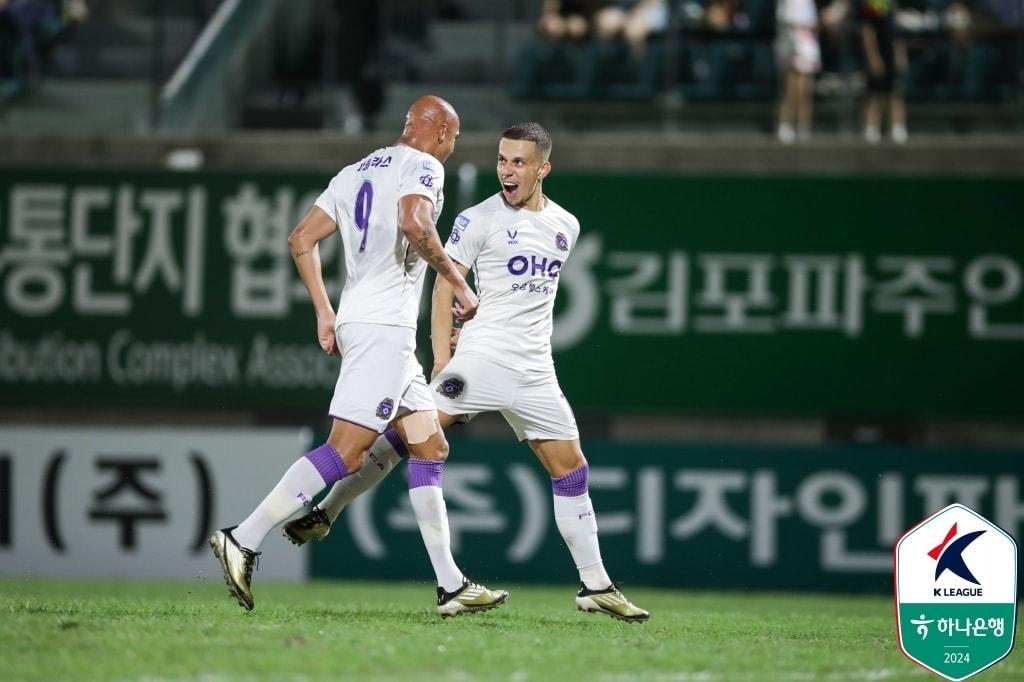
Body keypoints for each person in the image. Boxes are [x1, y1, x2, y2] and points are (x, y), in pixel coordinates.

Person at [282, 122, 650, 624]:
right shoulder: (476, 220)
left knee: (571, 469)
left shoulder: (567, 226)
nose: (507, 171)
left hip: (536, 371)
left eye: (519, 162)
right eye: (502, 160)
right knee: (404, 436)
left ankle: (596, 585)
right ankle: (328, 510)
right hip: (479, 361)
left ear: (543, 168)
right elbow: (442, 288)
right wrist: (442, 359)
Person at [209, 95, 508, 618]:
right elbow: (415, 223)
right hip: (383, 329)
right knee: (346, 452)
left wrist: (324, 313)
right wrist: (459, 282)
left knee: (429, 446)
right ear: (441, 132)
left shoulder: (355, 171)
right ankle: (244, 537)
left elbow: (301, 239)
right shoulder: (424, 166)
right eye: (455, 138)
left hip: (367, 321)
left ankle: (450, 585)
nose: (452, 148)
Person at [859, 0, 907, 143]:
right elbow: (867, 32)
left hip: (890, 54)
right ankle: (871, 127)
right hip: (878, 53)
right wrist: (873, 57)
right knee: (874, 93)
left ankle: (898, 127)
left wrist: (900, 54)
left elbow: (897, 33)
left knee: (894, 93)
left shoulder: (891, 5)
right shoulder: (871, 5)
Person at [775, 0, 821, 143]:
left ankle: (803, 125)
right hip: (792, 46)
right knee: (791, 90)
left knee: (806, 91)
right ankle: (785, 125)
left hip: (808, 47)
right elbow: (785, 20)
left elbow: (813, 23)